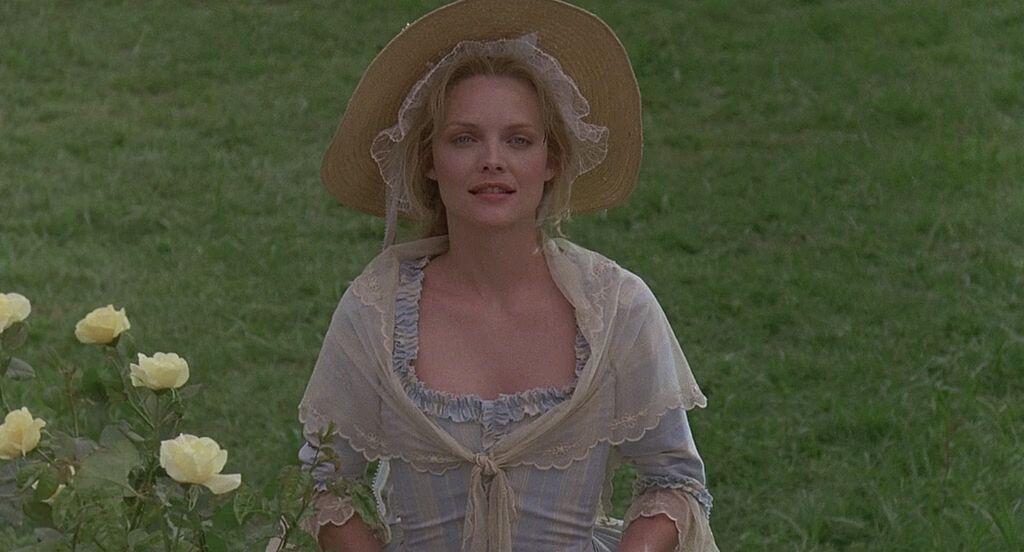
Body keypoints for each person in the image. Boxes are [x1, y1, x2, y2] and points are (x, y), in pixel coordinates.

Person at [298, 1, 719, 550]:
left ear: (551, 161)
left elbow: (674, 480)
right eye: (464, 138)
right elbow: (325, 485)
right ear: (430, 160)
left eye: (519, 140)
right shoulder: (376, 311)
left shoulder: (615, 307)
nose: (492, 160)